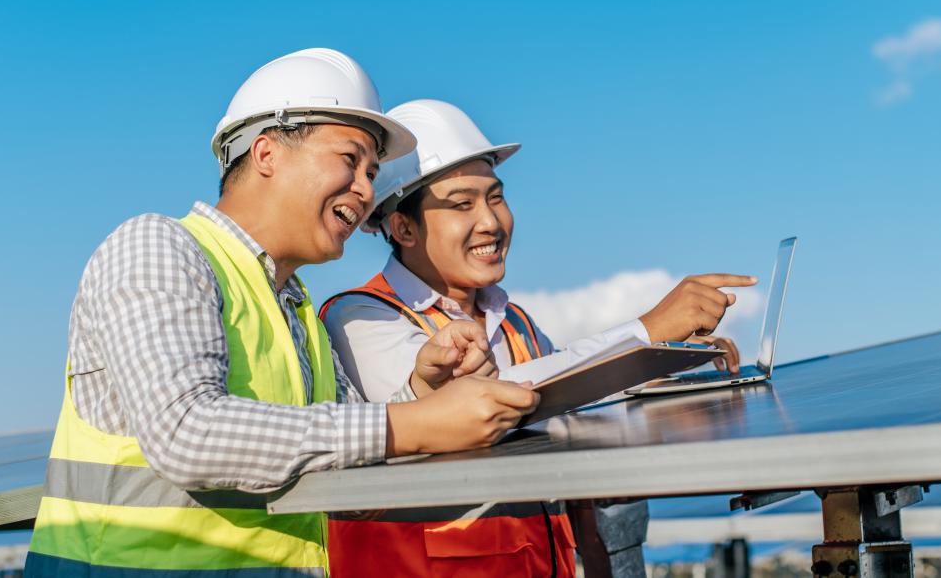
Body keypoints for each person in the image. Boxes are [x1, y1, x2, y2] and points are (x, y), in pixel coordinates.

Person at [23, 51, 540, 578]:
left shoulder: (295, 308)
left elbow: (350, 470)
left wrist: (423, 391)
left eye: (372, 171)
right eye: (350, 160)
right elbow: (187, 433)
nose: (365, 191)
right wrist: (415, 421)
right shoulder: (158, 248)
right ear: (267, 152)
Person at [321, 98, 754, 577]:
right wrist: (645, 331)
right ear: (403, 226)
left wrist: (660, 366)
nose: (491, 221)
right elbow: (498, 398)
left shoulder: (516, 322)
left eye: (496, 197)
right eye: (463, 204)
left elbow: (566, 397)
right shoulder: (359, 318)